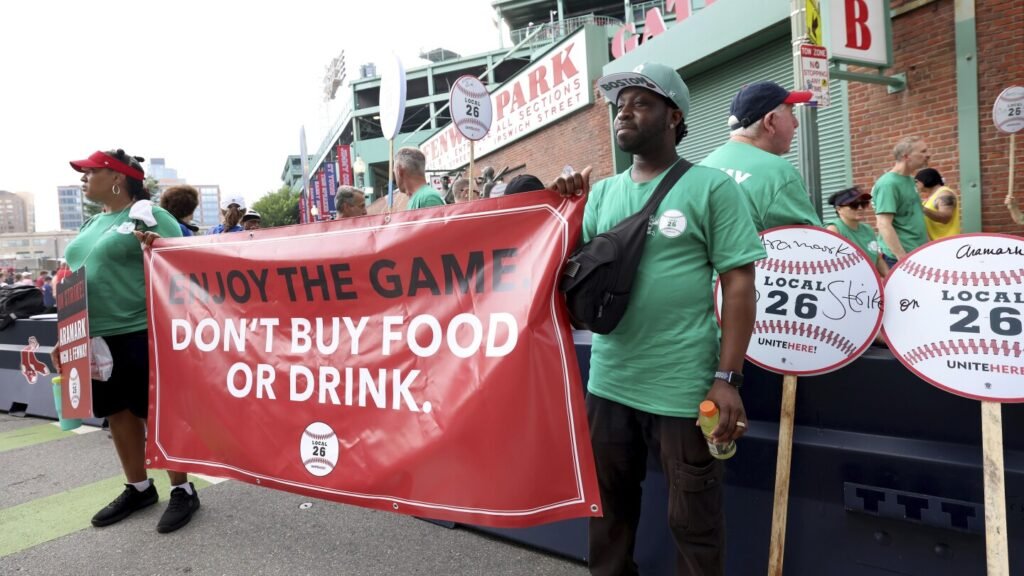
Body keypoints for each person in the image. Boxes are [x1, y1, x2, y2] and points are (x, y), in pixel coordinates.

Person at [551, 62, 763, 576]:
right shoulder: (600, 195)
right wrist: (562, 205)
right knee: (608, 517)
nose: (624, 111)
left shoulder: (712, 188)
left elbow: (739, 284)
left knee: (694, 523)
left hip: (683, 389)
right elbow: (566, 272)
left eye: (641, 102)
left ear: (674, 117)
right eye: (619, 104)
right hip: (609, 383)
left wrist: (727, 379)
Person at [54, 148, 198, 534]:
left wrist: (158, 244)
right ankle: (139, 487)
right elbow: (74, 278)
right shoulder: (90, 224)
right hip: (94, 335)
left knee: (152, 412)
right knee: (116, 412)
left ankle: (183, 489)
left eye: (91, 171)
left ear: (117, 177)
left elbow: (189, 263)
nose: (83, 178)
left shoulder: (147, 213)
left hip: (140, 330)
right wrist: (66, 337)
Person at [700, 81, 822, 231]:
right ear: (770, 121)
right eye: (791, 113)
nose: (796, 123)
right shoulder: (779, 173)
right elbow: (811, 245)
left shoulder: (702, 166)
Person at [872, 136, 931, 266]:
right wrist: (902, 258)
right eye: (923, 151)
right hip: (900, 259)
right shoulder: (888, 184)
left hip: (918, 253)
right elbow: (883, 224)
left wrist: (929, 247)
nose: (928, 155)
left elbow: (915, 217)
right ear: (906, 156)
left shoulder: (910, 180)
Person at [825, 186, 889, 277]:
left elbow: (878, 260)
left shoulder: (868, 229)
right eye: (853, 205)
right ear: (839, 209)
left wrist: (890, 279)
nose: (860, 208)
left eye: (863, 204)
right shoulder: (834, 229)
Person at [915, 168, 960, 240]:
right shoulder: (930, 198)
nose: (915, 185)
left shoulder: (944, 193)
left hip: (948, 243)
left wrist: (921, 208)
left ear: (924, 180)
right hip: (937, 245)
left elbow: (945, 217)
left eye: (916, 182)